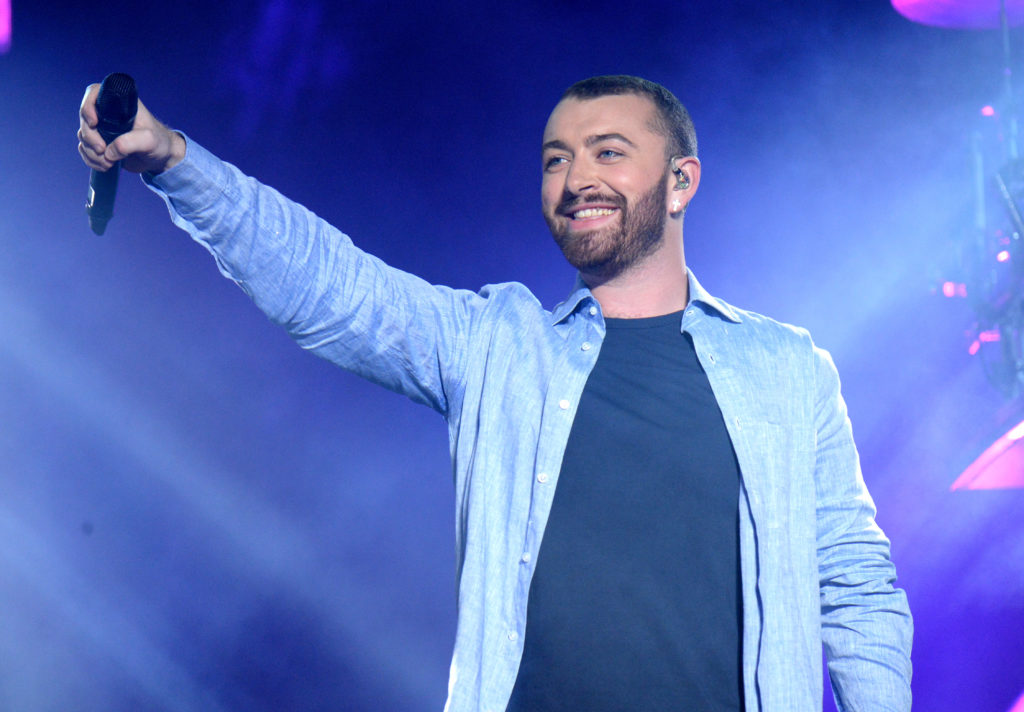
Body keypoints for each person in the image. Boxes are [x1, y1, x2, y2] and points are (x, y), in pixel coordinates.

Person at [78, 74, 913, 711]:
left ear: (682, 181)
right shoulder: (498, 345)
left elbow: (853, 582)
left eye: (608, 151)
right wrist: (177, 163)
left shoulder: (786, 368)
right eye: (557, 159)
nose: (575, 176)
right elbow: (336, 287)